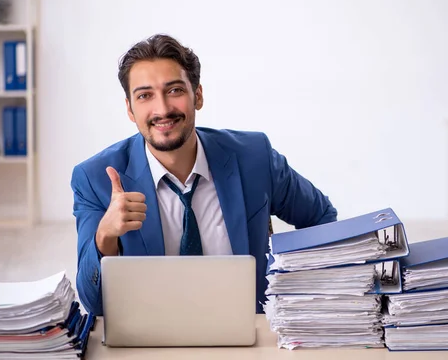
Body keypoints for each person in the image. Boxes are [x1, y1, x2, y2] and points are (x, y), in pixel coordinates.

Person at [70, 34, 337, 316]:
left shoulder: (254, 157)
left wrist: (298, 295)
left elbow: (321, 217)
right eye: (145, 95)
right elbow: (94, 305)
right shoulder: (95, 179)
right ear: (130, 109)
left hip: (246, 336)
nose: (162, 109)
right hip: (153, 341)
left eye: (174, 90)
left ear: (197, 95)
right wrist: (105, 236)